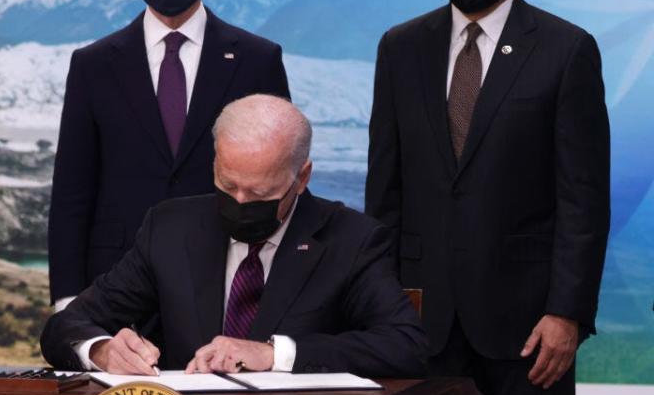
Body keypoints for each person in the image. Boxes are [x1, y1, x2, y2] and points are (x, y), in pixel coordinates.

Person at [365, 0, 610, 395]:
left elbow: (583, 198)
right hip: (429, 324)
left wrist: (567, 314)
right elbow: (384, 191)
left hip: (532, 328)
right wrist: (384, 306)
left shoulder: (566, 49)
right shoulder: (401, 48)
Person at [43, 94, 426, 378]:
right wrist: (103, 350)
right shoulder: (170, 229)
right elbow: (65, 327)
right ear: (215, 163)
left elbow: (405, 345)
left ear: (302, 177)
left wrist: (273, 354)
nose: (240, 202)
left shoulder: (351, 240)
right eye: (228, 186)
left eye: (259, 194)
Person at [48, 0, 291, 318]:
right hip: (114, 285)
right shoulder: (93, 64)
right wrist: (69, 302)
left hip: (229, 282)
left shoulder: (257, 60)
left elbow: (283, 179)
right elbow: (73, 189)